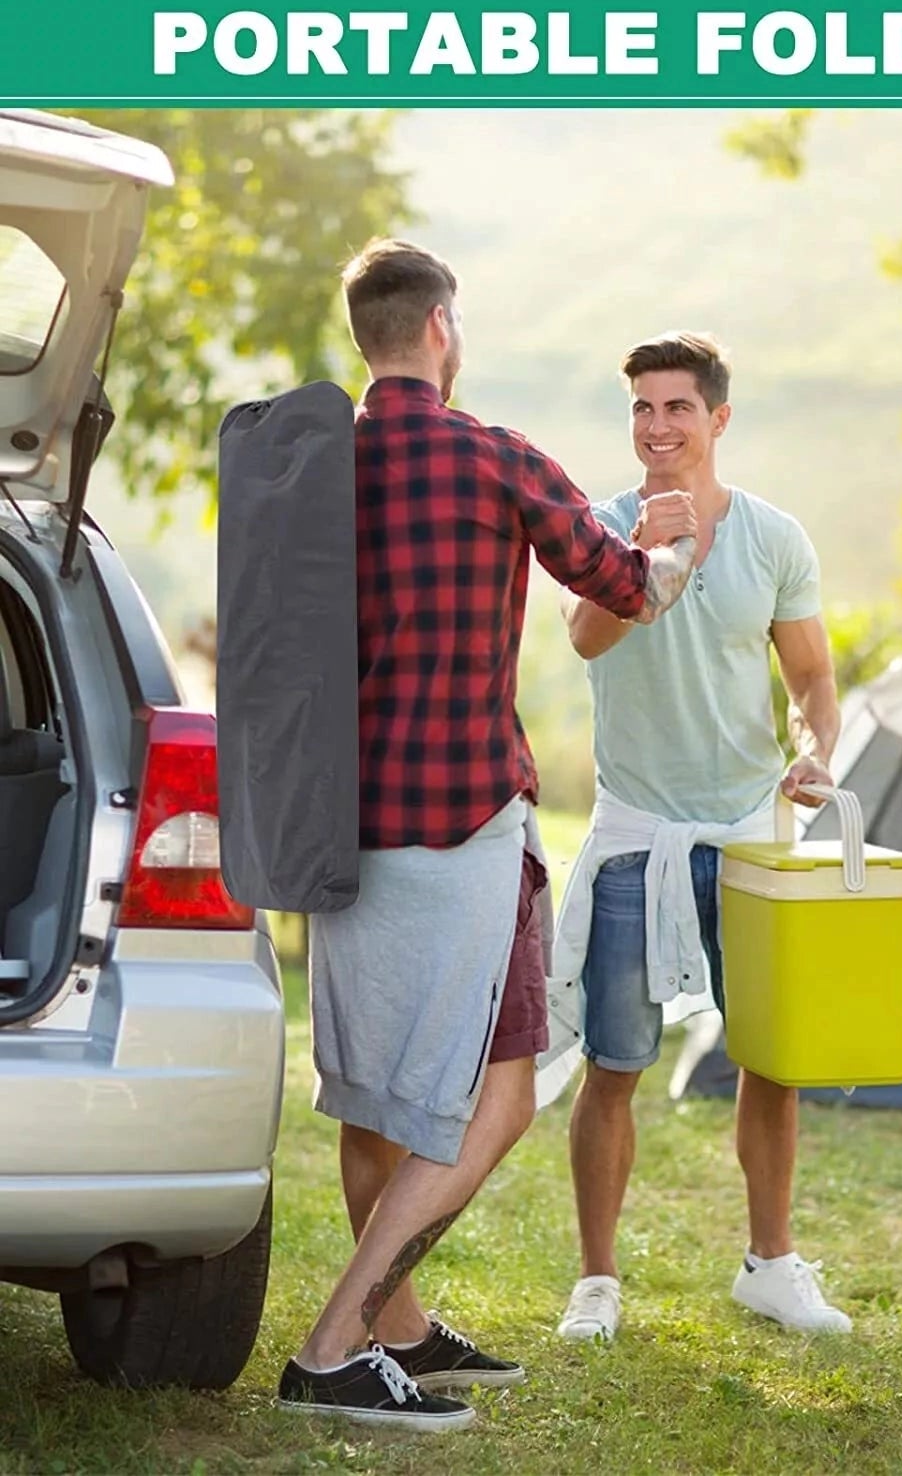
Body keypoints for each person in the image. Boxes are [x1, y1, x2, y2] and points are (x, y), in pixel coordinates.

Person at [276, 240, 697, 1431]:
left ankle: (400, 1333)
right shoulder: (492, 453)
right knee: (484, 1108)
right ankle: (334, 1343)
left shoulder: (308, 468)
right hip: (460, 822)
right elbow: (625, 587)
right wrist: (674, 543)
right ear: (444, 328)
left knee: (380, 1098)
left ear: (370, 334)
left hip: (339, 829)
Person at [552, 331, 850, 1342]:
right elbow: (586, 638)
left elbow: (810, 676)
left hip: (751, 835)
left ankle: (771, 1264)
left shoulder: (774, 538)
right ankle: (598, 1282)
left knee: (771, 1058)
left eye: (677, 407)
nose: (656, 426)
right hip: (638, 832)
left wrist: (816, 749)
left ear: (718, 419)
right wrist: (648, 557)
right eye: (641, 407)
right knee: (616, 1062)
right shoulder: (599, 527)